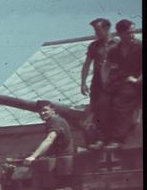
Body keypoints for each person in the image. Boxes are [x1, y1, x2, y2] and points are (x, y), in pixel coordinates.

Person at [80, 18, 118, 148]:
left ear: (107, 29)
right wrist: (83, 82)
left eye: (98, 30)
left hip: (113, 82)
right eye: (95, 30)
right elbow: (87, 64)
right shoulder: (94, 46)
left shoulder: (117, 44)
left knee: (112, 109)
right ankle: (99, 139)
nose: (96, 33)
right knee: (96, 109)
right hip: (97, 83)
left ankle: (112, 138)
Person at [105, 19, 142, 148]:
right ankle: (104, 138)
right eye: (128, 33)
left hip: (138, 82)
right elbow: (107, 66)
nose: (132, 35)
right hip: (125, 83)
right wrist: (105, 81)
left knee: (121, 101)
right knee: (106, 101)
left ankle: (117, 139)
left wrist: (138, 80)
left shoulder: (140, 46)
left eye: (134, 32)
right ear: (120, 34)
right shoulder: (115, 50)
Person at [23, 100, 75, 165]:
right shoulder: (51, 121)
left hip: (62, 160)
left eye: (45, 110)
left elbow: (50, 139)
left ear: (53, 110)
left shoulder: (56, 121)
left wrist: (33, 156)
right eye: (40, 111)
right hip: (60, 158)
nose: (42, 113)